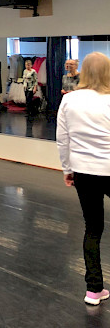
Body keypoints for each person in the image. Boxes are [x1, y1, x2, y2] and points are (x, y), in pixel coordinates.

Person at [57, 52, 110, 306]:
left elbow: (62, 139)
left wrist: (67, 170)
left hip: (83, 172)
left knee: (92, 228)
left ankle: (93, 290)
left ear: (84, 71)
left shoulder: (69, 100)